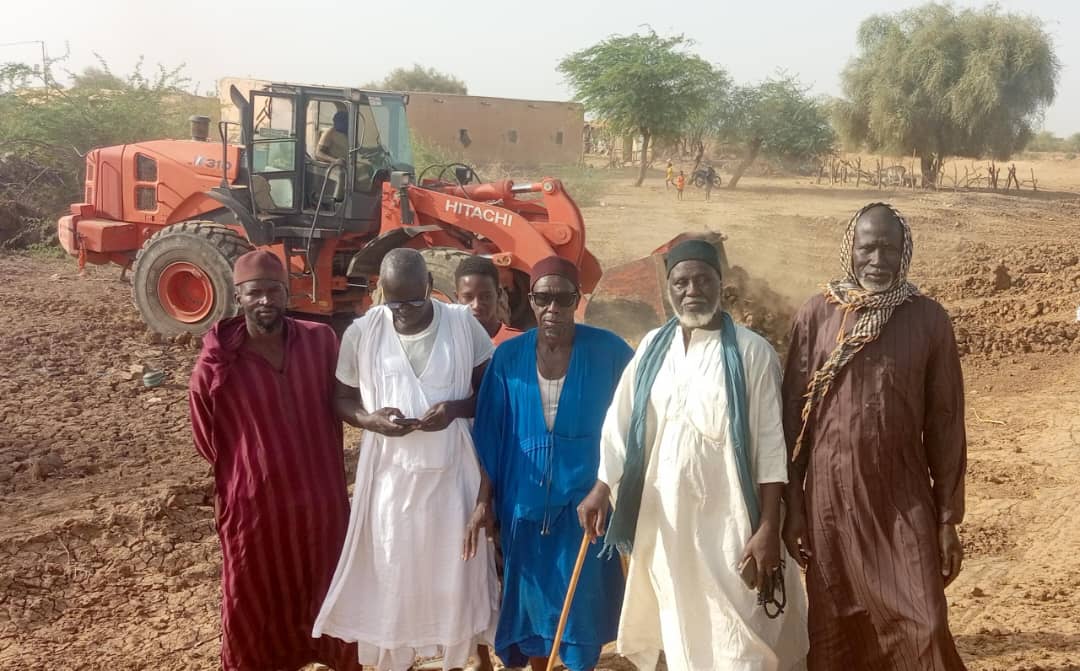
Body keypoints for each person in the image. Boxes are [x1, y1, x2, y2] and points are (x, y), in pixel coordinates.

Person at [578, 238, 808, 671]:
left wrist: (768, 527)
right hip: (669, 522)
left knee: (743, 635)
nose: (692, 291)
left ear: (721, 285)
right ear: (669, 288)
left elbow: (771, 444)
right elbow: (620, 421)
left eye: (703, 280)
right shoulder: (651, 349)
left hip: (732, 523)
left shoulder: (752, 353)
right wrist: (601, 486)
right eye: (681, 282)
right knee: (683, 628)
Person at [781, 203, 967, 670]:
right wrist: (792, 508)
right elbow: (791, 423)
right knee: (836, 632)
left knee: (923, 624)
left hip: (901, 500)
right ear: (851, 248)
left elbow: (945, 424)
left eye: (889, 248)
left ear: (905, 252)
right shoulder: (818, 315)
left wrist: (947, 519)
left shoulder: (928, 320)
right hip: (829, 506)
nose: (877, 260)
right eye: (868, 247)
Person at [314, 248, 499, 671]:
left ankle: (460, 658)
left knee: (454, 571)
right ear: (381, 293)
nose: (404, 312)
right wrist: (371, 420)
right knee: (395, 569)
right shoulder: (364, 332)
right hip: (391, 478)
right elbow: (341, 399)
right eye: (394, 302)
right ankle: (398, 659)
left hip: (452, 473)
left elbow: (491, 395)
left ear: (431, 288)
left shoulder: (461, 325)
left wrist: (453, 410)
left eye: (414, 302)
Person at [188, 250, 361, 671]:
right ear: (238, 295)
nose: (265, 300)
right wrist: (255, 469)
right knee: (253, 591)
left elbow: (343, 397)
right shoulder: (217, 361)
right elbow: (205, 434)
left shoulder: (320, 342)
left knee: (330, 584)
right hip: (254, 507)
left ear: (288, 293)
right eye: (255, 292)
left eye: (274, 291)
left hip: (319, 500)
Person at [472, 256, 631, 671]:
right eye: (544, 299)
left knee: (583, 604)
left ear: (577, 300)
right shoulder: (508, 358)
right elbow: (490, 433)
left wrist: (605, 488)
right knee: (532, 602)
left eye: (564, 299)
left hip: (588, 506)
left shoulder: (611, 351)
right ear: (531, 300)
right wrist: (484, 501)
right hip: (524, 505)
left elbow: (636, 424)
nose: (554, 309)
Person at [456, 255, 522, 346]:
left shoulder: (521, 343)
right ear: (457, 298)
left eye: (485, 297)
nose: (476, 305)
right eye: (468, 297)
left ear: (498, 295)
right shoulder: (447, 345)